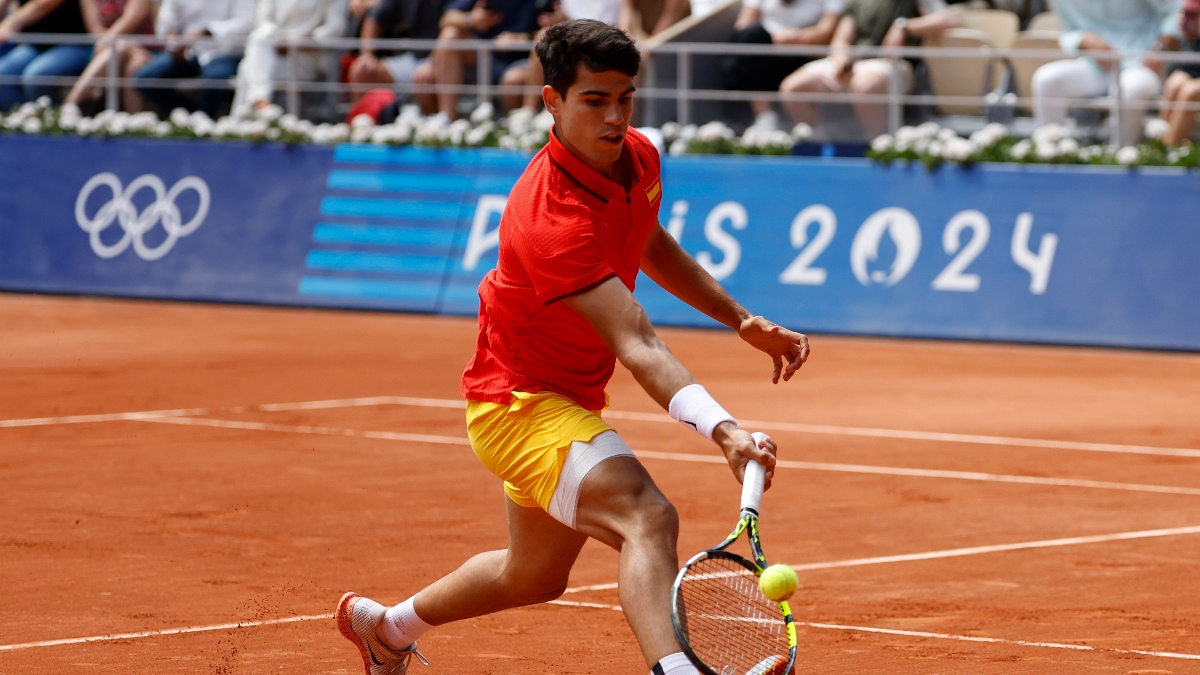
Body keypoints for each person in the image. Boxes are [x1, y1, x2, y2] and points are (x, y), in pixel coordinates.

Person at [334, 18, 811, 675]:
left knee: (532, 574)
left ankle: (385, 627)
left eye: (625, 97)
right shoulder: (551, 218)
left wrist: (740, 318)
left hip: (568, 395)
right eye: (594, 100)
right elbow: (638, 341)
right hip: (518, 404)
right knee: (647, 515)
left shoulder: (637, 156)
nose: (615, 117)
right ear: (552, 101)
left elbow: (647, 238)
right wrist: (723, 429)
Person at [778, 0, 959, 139]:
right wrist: (842, 58)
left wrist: (905, 26)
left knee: (864, 86)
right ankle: (827, 143)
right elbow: (841, 38)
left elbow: (948, 18)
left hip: (894, 64)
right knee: (793, 88)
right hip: (853, 63)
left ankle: (879, 148)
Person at [1030, 0, 1182, 146]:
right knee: (1046, 79)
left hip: (1142, 65)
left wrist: (1160, 47)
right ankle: (1053, 154)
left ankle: (1124, 158)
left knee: (1129, 89)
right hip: (1096, 67)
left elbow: (1176, 8)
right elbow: (1069, 32)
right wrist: (1084, 40)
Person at [722, 0, 844, 132]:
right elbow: (743, 25)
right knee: (752, 39)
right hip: (759, 52)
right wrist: (773, 39)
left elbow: (826, 31)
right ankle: (762, 119)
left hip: (800, 56)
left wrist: (796, 38)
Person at [416, 0, 538, 119]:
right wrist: (471, 20)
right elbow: (446, 19)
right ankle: (446, 117)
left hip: (521, 59)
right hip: (481, 59)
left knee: (514, 80)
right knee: (450, 35)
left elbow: (548, 29)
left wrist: (523, 38)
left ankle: (514, 129)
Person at [132, 0, 255, 118]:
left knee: (216, 77)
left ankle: (201, 121)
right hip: (188, 52)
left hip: (224, 51)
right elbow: (167, 25)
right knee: (146, 78)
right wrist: (174, 45)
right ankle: (189, 119)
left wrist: (207, 31)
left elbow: (247, 22)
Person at [230, 0, 348, 116]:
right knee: (258, 42)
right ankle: (261, 106)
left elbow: (335, 27)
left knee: (247, 68)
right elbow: (262, 20)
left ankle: (243, 119)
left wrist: (297, 43)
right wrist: (279, 39)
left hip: (307, 55)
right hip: (272, 47)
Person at [518, 0, 623, 113]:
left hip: (605, 40)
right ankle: (529, 111)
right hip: (573, 36)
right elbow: (565, 15)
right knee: (543, 37)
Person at [344, 0, 448, 108]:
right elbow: (376, 16)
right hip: (411, 58)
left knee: (424, 79)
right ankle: (361, 119)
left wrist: (431, 63)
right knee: (362, 70)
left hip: (442, 61)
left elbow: (449, 31)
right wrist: (367, 54)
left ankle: (433, 122)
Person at [61, 0, 155, 112]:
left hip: (144, 49)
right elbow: (95, 30)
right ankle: (134, 123)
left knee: (132, 66)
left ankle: (70, 103)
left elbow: (132, 18)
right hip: (103, 50)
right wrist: (122, 45)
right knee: (120, 48)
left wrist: (115, 43)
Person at [0, 0, 91, 111]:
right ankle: (26, 123)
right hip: (35, 45)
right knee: (2, 75)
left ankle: (56, 122)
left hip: (73, 44)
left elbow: (45, 4)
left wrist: (11, 22)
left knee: (35, 77)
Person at [1163, 0, 1200, 145]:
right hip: (1193, 72)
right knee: (1174, 83)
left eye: (1193, 14)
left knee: (1190, 91)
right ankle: (1161, 146)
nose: (1188, 18)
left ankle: (1172, 150)